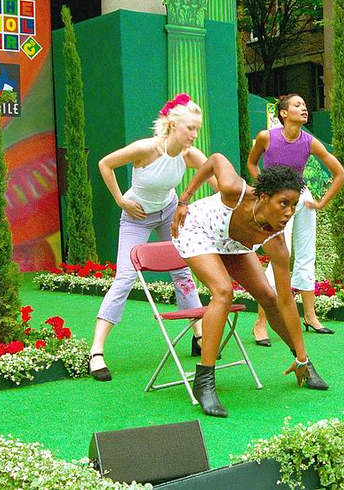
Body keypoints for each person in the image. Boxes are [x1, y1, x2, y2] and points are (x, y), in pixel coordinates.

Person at [171, 154, 328, 417]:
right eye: (283, 204)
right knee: (223, 291)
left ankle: (306, 366)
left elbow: (286, 300)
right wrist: (184, 200)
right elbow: (215, 159)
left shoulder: (276, 241)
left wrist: (302, 356)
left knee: (268, 296)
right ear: (264, 197)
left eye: (293, 205)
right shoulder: (236, 190)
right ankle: (204, 381)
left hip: (233, 243)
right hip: (197, 230)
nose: (289, 212)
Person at [89, 93, 215, 382]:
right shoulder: (146, 149)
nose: (194, 135)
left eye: (197, 128)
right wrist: (120, 200)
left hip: (168, 211)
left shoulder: (189, 154)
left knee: (182, 271)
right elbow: (105, 164)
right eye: (190, 129)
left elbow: (215, 175)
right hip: (136, 214)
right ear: (172, 125)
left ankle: (198, 336)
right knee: (124, 278)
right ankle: (96, 351)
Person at [247, 94, 344, 344]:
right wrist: (264, 193)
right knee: (280, 254)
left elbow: (339, 174)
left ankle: (310, 317)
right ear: (283, 113)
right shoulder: (266, 137)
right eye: (297, 105)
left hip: (302, 198)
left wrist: (321, 202)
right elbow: (251, 163)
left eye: (304, 104)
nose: (304, 108)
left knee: (306, 254)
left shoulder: (310, 142)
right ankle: (261, 323)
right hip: (276, 202)